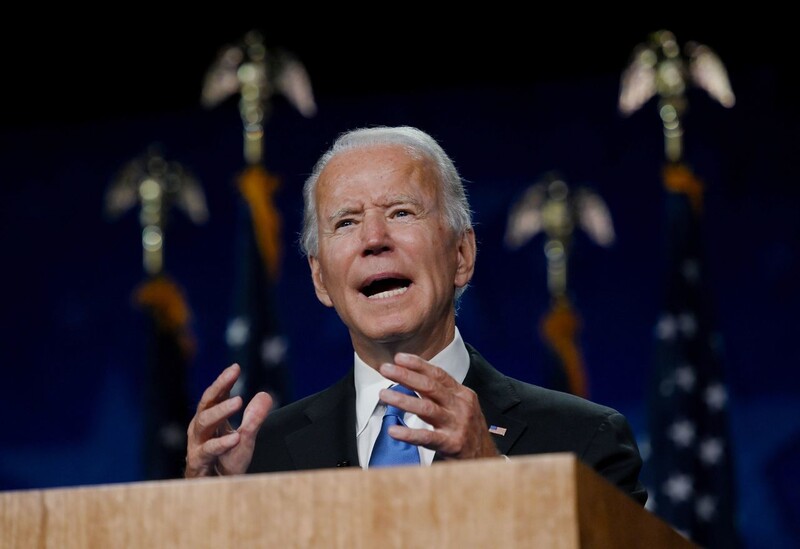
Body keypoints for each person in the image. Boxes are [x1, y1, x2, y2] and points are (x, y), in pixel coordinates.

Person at [184, 125, 647, 505]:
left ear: (462, 254)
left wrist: (494, 476)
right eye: (346, 221)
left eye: (401, 212)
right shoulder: (259, 461)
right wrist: (204, 516)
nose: (374, 238)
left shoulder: (585, 441)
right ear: (320, 279)